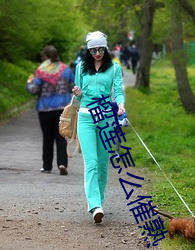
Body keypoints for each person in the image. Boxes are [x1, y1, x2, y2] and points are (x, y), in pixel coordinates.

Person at [72, 31, 125, 223]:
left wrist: (120, 104)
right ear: (88, 50)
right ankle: (94, 205)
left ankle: (100, 201)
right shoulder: (80, 68)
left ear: (106, 48)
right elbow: (78, 97)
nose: (97, 53)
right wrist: (77, 92)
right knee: (91, 162)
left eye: (101, 49)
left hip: (106, 119)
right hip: (85, 117)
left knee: (103, 164)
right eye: (93, 50)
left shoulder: (114, 68)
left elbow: (118, 90)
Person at [26, 45, 75, 175]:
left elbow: (34, 90)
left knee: (47, 138)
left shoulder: (41, 71)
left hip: (45, 109)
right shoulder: (66, 70)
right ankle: (62, 163)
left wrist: (29, 83)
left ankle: (47, 166)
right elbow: (73, 87)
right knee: (61, 137)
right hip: (62, 109)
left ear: (45, 57)